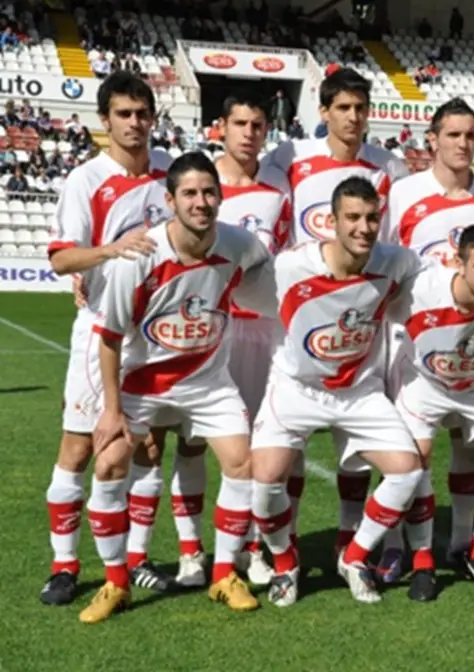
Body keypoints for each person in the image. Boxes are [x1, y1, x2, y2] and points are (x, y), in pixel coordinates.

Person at [266, 70, 474, 559]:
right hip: (378, 325)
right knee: (379, 441)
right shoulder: (298, 162)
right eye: (344, 107)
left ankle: (457, 540)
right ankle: (383, 543)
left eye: (361, 107)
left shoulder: (395, 171)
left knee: (460, 444)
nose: (353, 117)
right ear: (325, 110)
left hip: (463, 336)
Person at [83, 151, 276, 624]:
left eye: (209, 192)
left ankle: (224, 575)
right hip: (141, 381)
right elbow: (108, 339)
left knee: (241, 463)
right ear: (170, 201)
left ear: (221, 196)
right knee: (109, 464)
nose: (201, 201)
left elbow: (263, 282)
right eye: (189, 193)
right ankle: (116, 583)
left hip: (207, 381)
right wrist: (112, 411)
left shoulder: (240, 245)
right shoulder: (141, 256)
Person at [126, 91, 294, 591]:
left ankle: (252, 549)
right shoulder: (197, 181)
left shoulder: (281, 184)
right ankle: (189, 551)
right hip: (205, 328)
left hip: (259, 329)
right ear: (221, 126)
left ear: (267, 129)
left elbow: (278, 259)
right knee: (183, 443)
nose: (249, 132)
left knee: (255, 446)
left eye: (258, 123)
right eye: (240, 123)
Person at [250, 177, 425, 607]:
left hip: (358, 391)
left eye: (371, 218)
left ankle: (355, 555)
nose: (364, 228)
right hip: (296, 387)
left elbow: (417, 297)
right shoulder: (291, 266)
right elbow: (237, 287)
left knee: (406, 471)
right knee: (266, 479)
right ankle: (285, 561)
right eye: (353, 218)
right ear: (331, 221)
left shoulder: (397, 262)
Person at [42, 71, 173, 607]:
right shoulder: (86, 179)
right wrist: (110, 252)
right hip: (101, 327)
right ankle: (65, 565)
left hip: (158, 333)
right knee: (77, 448)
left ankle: (136, 558)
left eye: (143, 113)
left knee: (148, 446)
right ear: (105, 121)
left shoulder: (170, 173)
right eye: (124, 114)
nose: (135, 123)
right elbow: (60, 258)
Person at [378, 97, 474, 579]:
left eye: (470, 135)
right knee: (409, 447)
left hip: (472, 342)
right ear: (432, 139)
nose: (463, 144)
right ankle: (396, 545)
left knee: (466, 444)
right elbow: (386, 258)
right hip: (412, 336)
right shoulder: (403, 192)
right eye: (453, 135)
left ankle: (460, 541)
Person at [387, 223, 474, 600]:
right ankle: (421, 562)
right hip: (424, 383)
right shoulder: (421, 290)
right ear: (458, 263)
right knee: (416, 461)